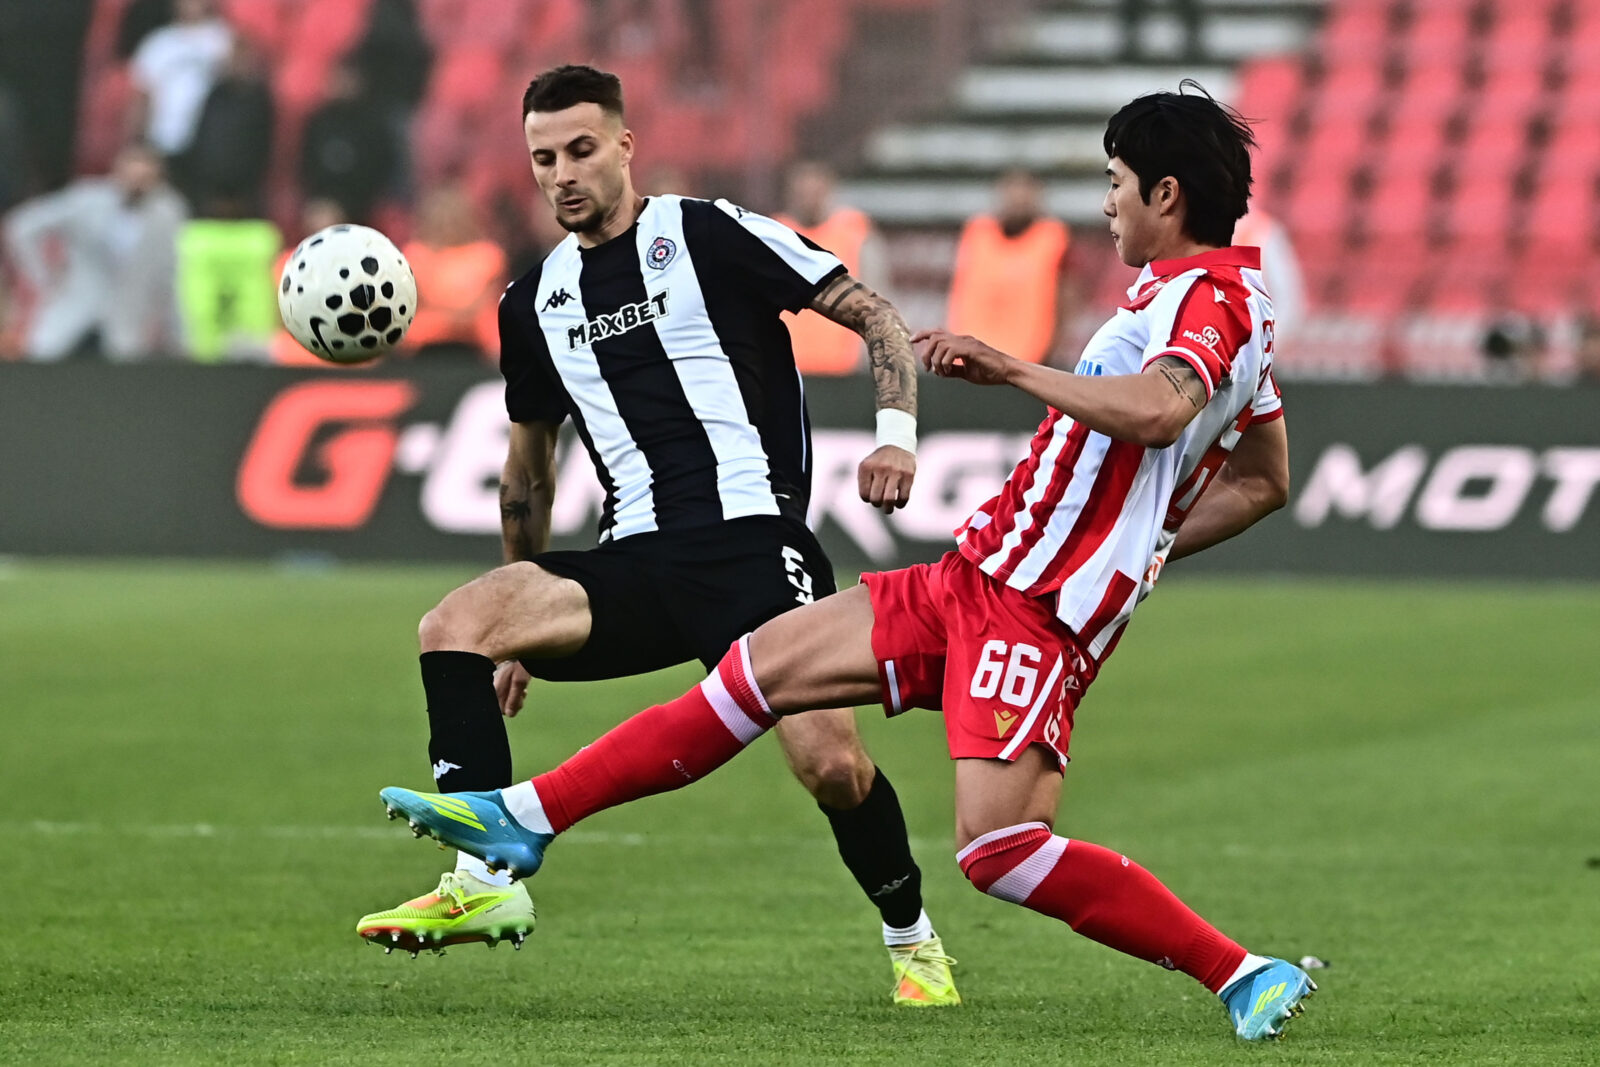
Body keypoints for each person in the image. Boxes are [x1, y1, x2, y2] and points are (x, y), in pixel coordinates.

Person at [379, 83, 1317, 1041]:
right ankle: (522, 820)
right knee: (757, 672)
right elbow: (1262, 479)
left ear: (1166, 195)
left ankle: (1240, 972)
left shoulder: (1218, 302)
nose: (1105, 202)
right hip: (976, 572)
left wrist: (1014, 373)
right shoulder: (1186, 303)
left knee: (995, 848)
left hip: (1031, 606)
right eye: (546, 157)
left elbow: (1164, 411)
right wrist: (1146, 539)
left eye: (1115, 183)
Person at [355, 65, 959, 1008]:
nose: (562, 174)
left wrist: (896, 437)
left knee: (830, 764)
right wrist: (515, 624)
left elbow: (873, 314)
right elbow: (527, 473)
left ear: (627, 146)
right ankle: (483, 886)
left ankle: (913, 940)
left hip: (757, 548)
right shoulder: (533, 302)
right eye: (543, 158)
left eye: (582, 150)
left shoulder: (708, 233)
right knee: (456, 624)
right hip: (634, 562)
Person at [3, 141, 186, 360]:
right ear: (117, 172)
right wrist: (43, 278)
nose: (137, 183)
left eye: (145, 178)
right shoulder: (87, 200)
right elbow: (22, 227)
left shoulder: (168, 213)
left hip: (124, 328)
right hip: (72, 317)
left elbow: (170, 274)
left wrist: (179, 335)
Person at [947, 169, 1072, 367]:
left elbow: (1065, 296)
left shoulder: (1051, 238)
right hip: (973, 354)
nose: (1018, 201)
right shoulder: (978, 234)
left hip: (1030, 357)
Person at [774, 160, 888, 375]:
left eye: (815, 191)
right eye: (803, 192)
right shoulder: (774, 233)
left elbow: (878, 293)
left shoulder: (854, 230)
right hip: (788, 364)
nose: (809, 199)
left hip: (844, 365)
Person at [126, 0, 233, 190]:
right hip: (162, 137)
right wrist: (136, 139)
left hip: (206, 142)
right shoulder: (158, 42)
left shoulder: (224, 40)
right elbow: (143, 95)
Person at [400, 185, 507, 358]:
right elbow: (418, 300)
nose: (448, 223)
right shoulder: (415, 254)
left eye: (453, 217)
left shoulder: (488, 254)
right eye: (441, 217)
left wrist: (460, 317)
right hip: (429, 325)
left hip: (477, 326)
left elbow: (485, 300)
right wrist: (451, 318)